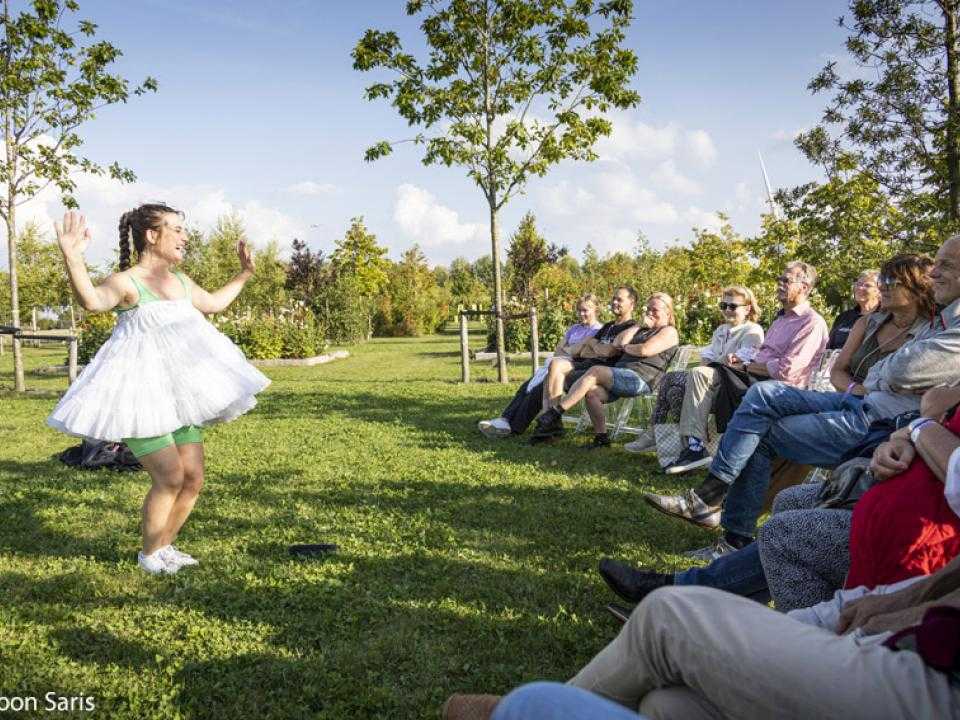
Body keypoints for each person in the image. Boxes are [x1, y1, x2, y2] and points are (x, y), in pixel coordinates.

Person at [643, 239, 960, 561]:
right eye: (882, 280)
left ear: (915, 287)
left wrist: (881, 376)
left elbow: (901, 372)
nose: (882, 287)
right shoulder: (873, 322)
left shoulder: (936, 325)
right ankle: (710, 498)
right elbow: (848, 371)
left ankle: (724, 522)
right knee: (761, 393)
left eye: (891, 281)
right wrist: (869, 382)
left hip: (879, 420)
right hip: (854, 398)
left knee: (760, 422)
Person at [443, 556, 960, 720]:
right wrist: (913, 601)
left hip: (935, 678)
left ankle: (532, 710)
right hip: (910, 636)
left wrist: (921, 426)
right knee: (667, 704)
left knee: (669, 616)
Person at [47, 207, 270, 575]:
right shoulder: (127, 282)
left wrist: (245, 273)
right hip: (139, 398)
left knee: (193, 478)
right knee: (169, 478)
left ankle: (165, 545)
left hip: (177, 397)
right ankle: (149, 555)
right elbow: (92, 301)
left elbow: (214, 303)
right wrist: (72, 257)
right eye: (178, 230)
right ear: (152, 235)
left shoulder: (180, 282)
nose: (185, 237)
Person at [661, 263, 828, 476]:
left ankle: (698, 449)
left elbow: (787, 370)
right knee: (684, 379)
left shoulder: (811, 322)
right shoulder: (781, 319)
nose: (779, 284)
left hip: (780, 389)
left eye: (786, 281)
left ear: (804, 287)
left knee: (701, 375)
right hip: (753, 376)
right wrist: (740, 361)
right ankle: (688, 445)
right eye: (779, 279)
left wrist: (747, 365)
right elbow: (764, 354)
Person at [625, 286, 763, 456]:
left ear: (747, 308)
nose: (727, 310)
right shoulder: (721, 330)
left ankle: (663, 435)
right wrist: (717, 361)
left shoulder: (752, 331)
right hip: (710, 381)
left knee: (671, 378)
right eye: (723, 306)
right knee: (675, 391)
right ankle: (686, 447)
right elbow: (708, 360)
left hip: (731, 388)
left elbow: (737, 365)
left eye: (732, 306)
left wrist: (718, 361)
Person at [530, 293, 679, 448]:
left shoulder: (669, 331)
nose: (650, 313)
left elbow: (644, 350)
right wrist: (637, 326)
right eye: (648, 309)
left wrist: (627, 348)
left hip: (641, 378)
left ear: (668, 313)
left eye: (654, 310)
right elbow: (617, 343)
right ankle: (601, 438)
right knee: (592, 392)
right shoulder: (641, 329)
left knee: (595, 371)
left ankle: (554, 413)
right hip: (620, 375)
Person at [485, 287, 639, 437]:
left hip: (602, 371)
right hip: (586, 363)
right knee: (552, 367)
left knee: (544, 381)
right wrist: (596, 347)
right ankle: (546, 423)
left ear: (632, 304)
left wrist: (596, 346)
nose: (614, 302)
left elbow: (610, 351)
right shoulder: (607, 326)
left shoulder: (631, 327)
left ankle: (537, 424)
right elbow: (585, 350)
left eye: (619, 299)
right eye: (613, 298)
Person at [479, 294, 602, 438]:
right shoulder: (574, 328)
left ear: (595, 310)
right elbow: (559, 349)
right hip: (558, 363)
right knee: (527, 386)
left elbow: (576, 352)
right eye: (579, 310)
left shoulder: (597, 330)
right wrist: (569, 350)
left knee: (537, 390)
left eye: (585, 310)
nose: (581, 314)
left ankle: (514, 428)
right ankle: (505, 419)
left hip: (574, 367)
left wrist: (569, 350)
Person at [827, 269, 882, 350]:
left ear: (879, 291)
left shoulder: (884, 318)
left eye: (867, 285)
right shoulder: (843, 317)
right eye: (858, 284)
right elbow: (828, 347)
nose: (860, 288)